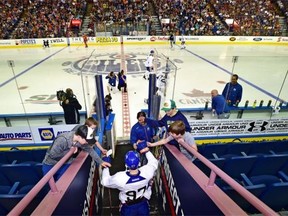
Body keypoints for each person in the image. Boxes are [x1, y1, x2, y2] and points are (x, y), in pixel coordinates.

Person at [101, 143, 158, 216]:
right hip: (143, 205)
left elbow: (105, 181)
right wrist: (146, 151)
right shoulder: (147, 172)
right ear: (139, 163)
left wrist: (106, 167)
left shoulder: (120, 178)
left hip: (128, 208)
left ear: (126, 164)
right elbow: (154, 162)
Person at [42, 125, 111, 181]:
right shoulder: (62, 139)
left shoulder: (80, 140)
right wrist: (69, 152)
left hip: (65, 163)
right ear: (79, 137)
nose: (87, 142)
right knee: (50, 186)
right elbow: (53, 155)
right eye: (86, 140)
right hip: (50, 165)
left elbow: (90, 150)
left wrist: (101, 162)